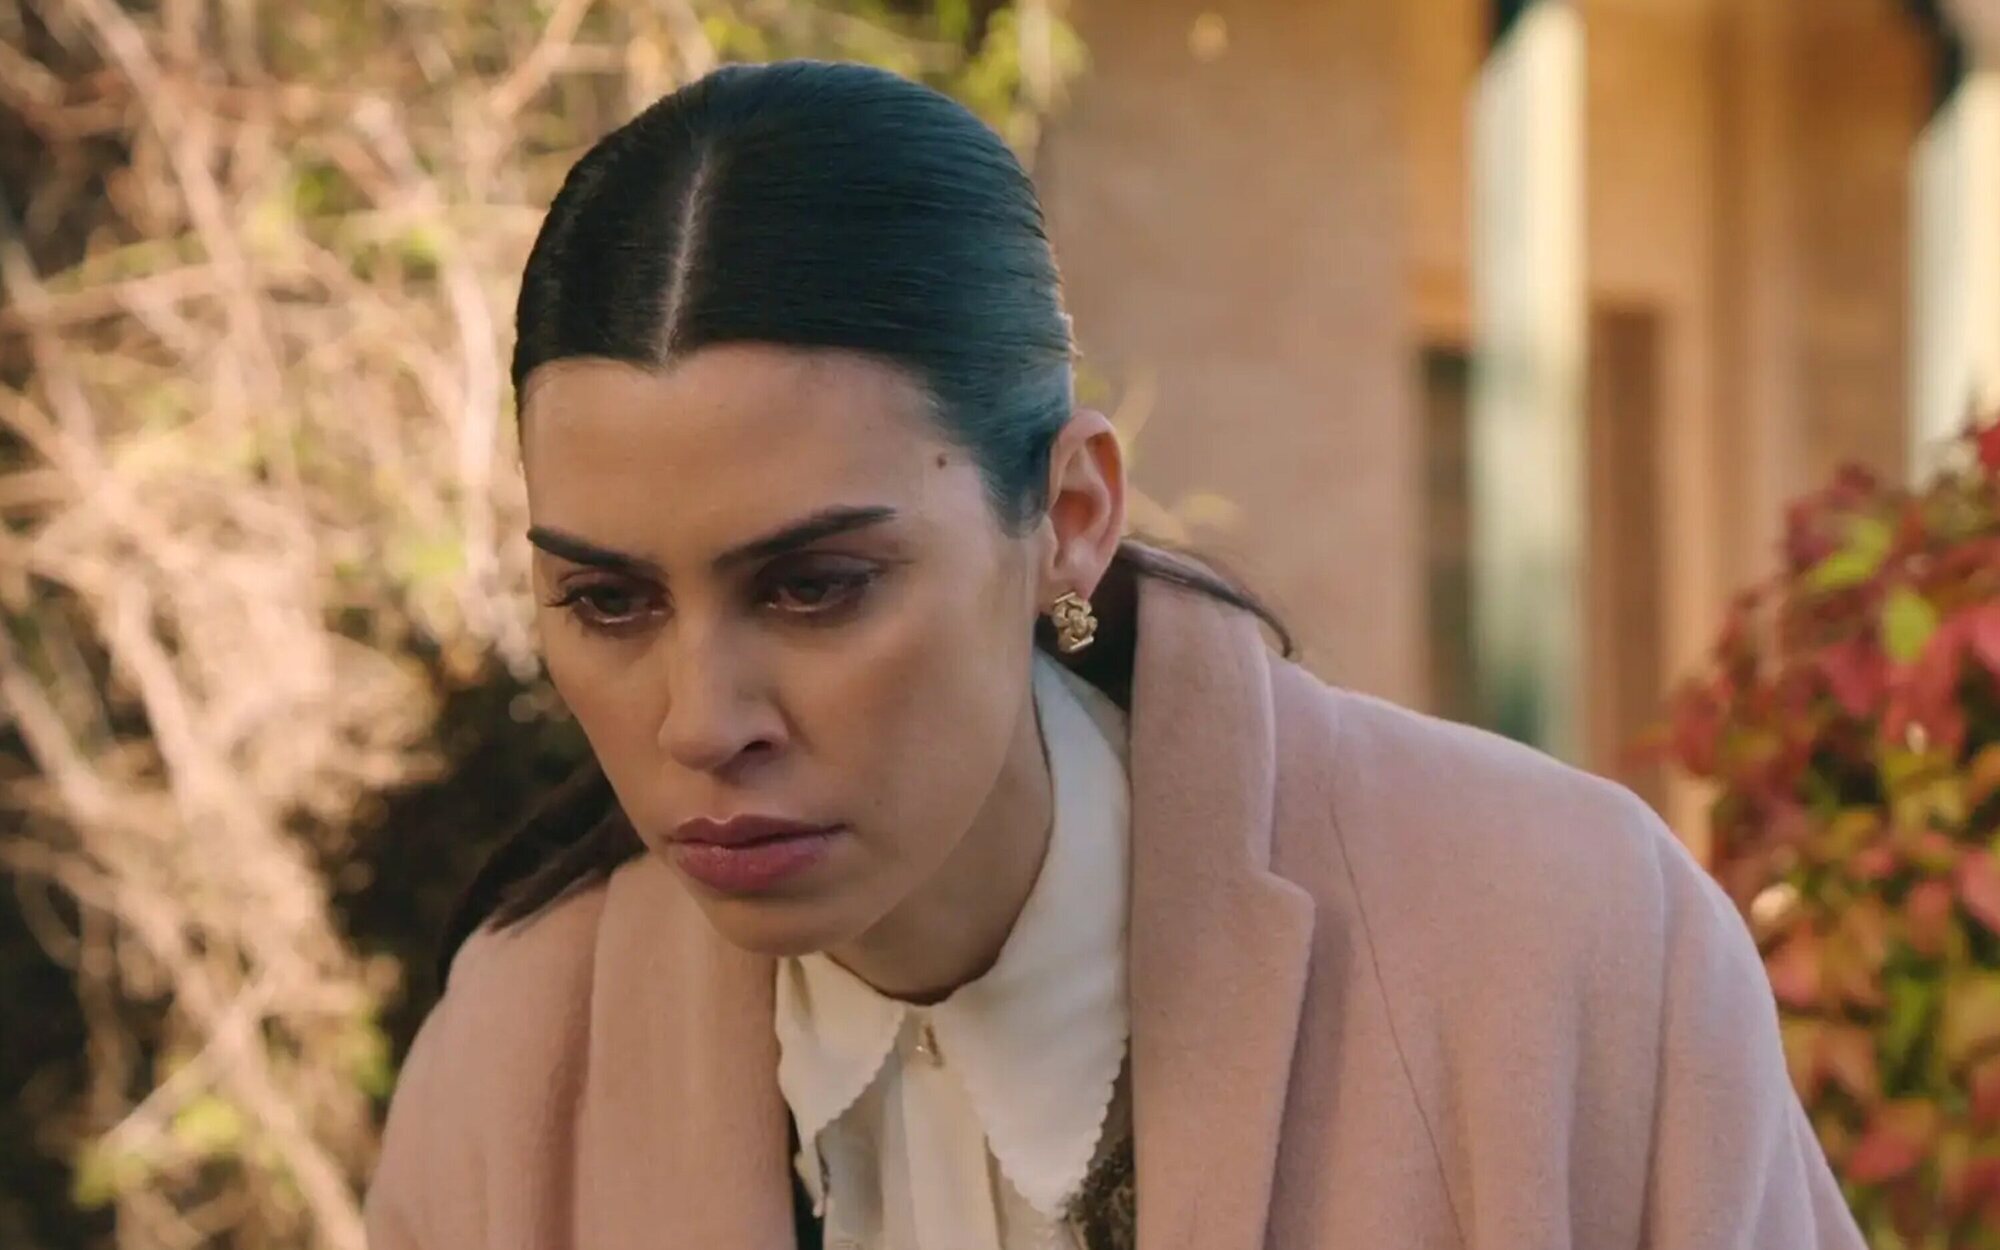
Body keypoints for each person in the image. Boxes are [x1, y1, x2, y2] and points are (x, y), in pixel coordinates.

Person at [363, 59, 1865, 1250]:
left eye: (815, 586)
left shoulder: (1563, 951)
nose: (704, 719)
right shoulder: (512, 1067)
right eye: (610, 602)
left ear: (1071, 517)